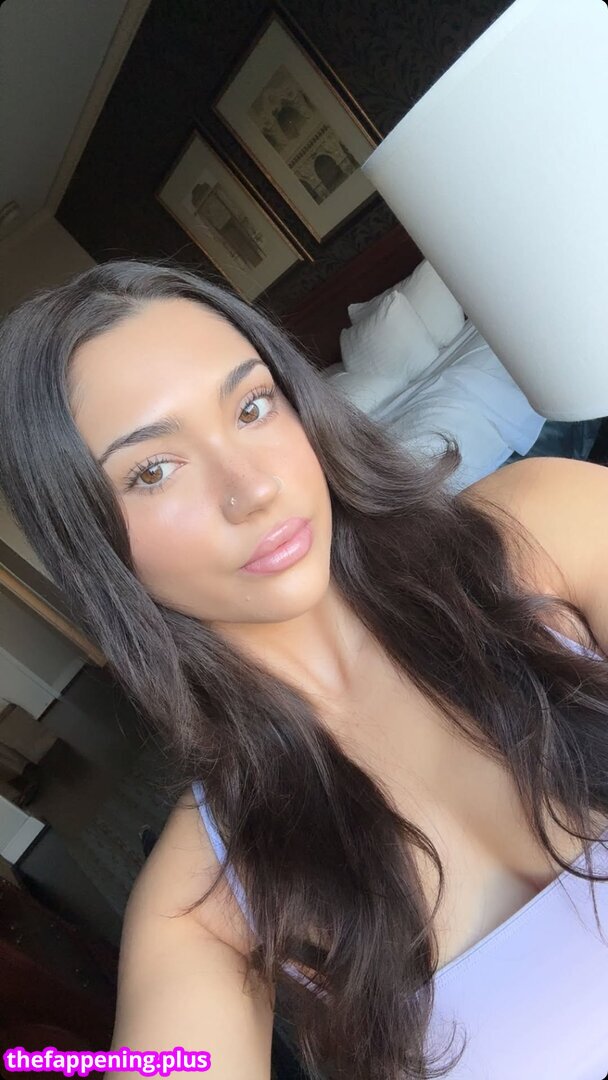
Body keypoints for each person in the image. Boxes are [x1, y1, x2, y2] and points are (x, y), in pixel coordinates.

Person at [1, 259, 608, 1080]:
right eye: (153, 470)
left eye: (252, 406)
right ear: (95, 546)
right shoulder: (207, 897)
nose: (252, 487)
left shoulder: (548, 533)